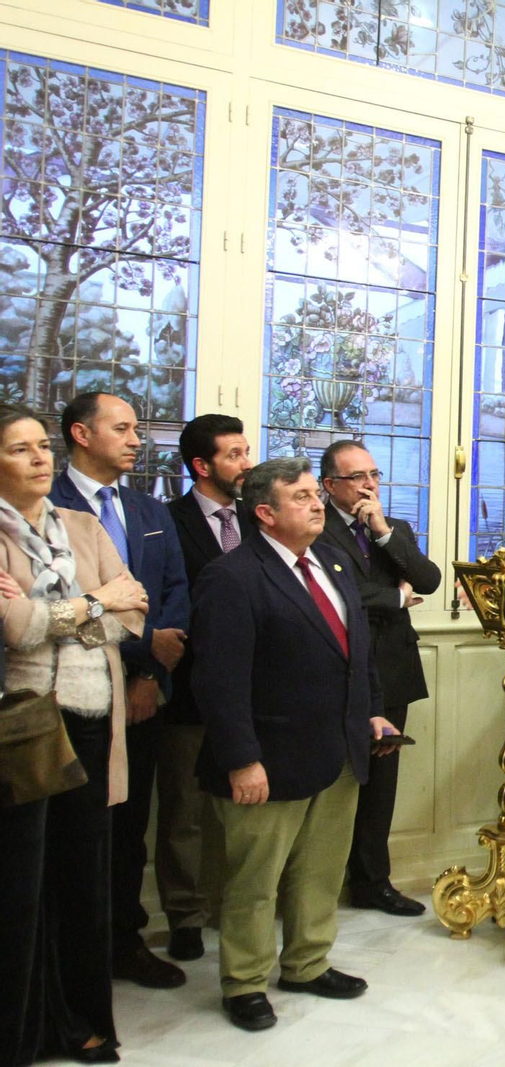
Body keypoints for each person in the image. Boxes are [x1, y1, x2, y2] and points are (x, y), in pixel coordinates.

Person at [190, 457, 401, 1032]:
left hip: (338, 752)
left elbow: (357, 650)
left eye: (315, 494)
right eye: (302, 496)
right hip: (268, 760)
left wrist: (374, 714)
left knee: (320, 872)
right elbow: (217, 680)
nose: (316, 504)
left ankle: (307, 963)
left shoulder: (331, 559)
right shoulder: (232, 577)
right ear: (265, 512)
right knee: (255, 883)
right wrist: (241, 759)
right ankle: (245, 983)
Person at [0, 403, 148, 1064]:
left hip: (92, 716)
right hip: (26, 725)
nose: (39, 458)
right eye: (20, 449)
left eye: (41, 446)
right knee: (22, 883)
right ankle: (23, 1031)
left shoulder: (83, 525)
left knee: (84, 875)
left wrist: (62, 612)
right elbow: (17, 630)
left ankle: (85, 1021)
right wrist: (95, 602)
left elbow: (135, 611)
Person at [50, 393, 189, 990]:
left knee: (131, 826)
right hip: (68, 696)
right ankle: (64, 957)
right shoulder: (41, 507)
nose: (137, 439)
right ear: (81, 434)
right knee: (72, 829)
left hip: (143, 695)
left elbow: (176, 590)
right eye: (123, 428)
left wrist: (149, 675)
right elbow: (63, 611)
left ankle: (123, 942)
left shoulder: (146, 507)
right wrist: (145, 647)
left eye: (137, 429)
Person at [317, 440, 441, 917]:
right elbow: (343, 593)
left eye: (374, 475)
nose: (369, 485)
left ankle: (373, 881)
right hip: (338, 671)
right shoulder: (318, 527)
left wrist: (385, 531)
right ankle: (320, 884)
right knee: (337, 784)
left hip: (391, 671)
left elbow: (427, 579)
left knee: (382, 782)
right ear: (330, 486)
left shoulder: (393, 529)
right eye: (356, 477)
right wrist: (395, 597)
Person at [162, 414, 255, 962]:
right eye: (235, 455)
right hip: (193, 688)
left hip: (255, 694)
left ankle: (238, 906)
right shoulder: (168, 520)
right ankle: (185, 915)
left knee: (246, 808)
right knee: (185, 811)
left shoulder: (259, 518)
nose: (247, 463)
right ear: (203, 465)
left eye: (247, 452)